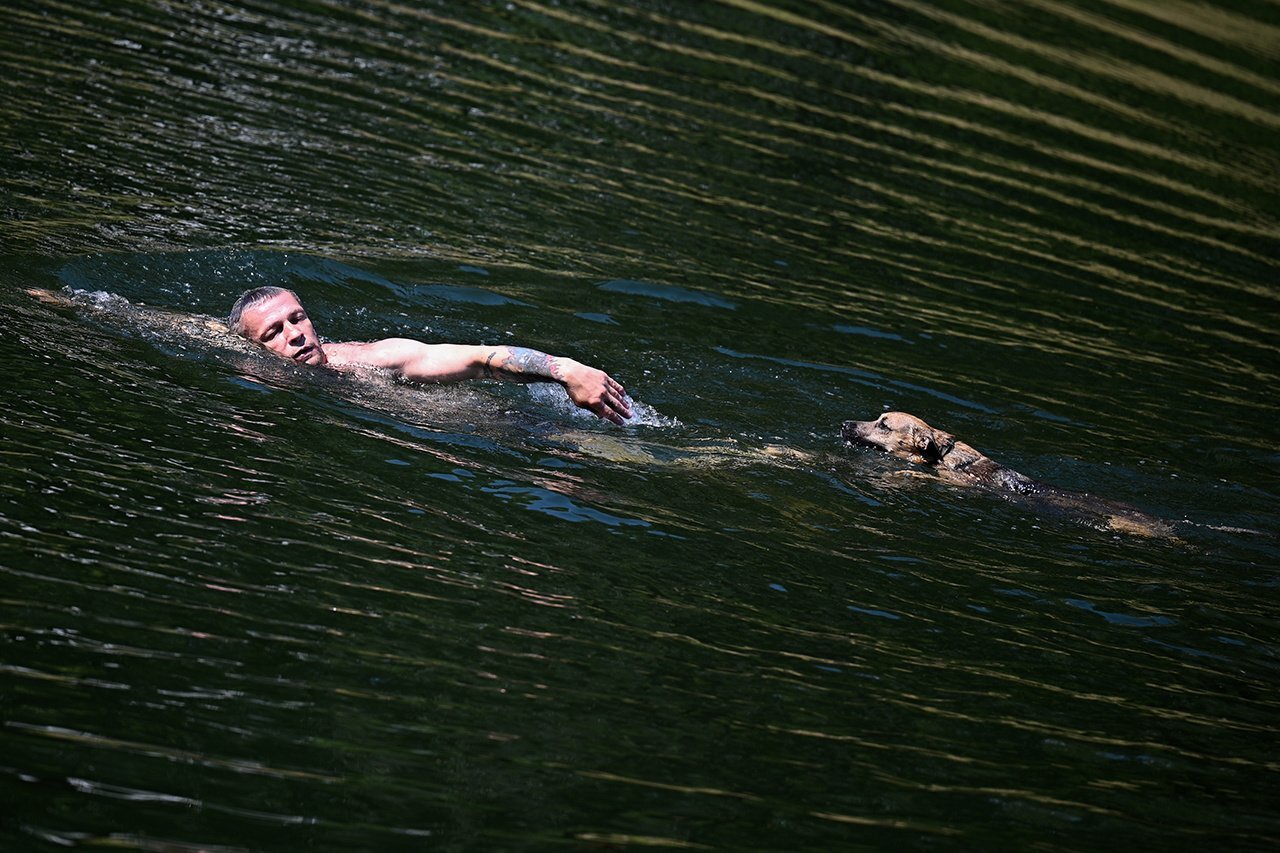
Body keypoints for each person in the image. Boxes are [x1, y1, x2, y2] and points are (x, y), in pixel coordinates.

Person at [228, 286, 633, 424]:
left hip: (509, 428)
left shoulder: (377, 357)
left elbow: (482, 358)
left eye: (298, 319)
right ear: (254, 348)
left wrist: (564, 369)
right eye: (275, 333)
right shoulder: (251, 374)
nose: (295, 335)